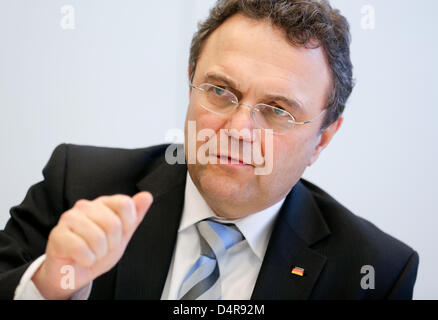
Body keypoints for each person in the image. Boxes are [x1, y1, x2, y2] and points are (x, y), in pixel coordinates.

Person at [0, 0, 418, 300]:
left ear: (322, 139)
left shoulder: (374, 271)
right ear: (190, 82)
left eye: (276, 111)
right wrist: (52, 285)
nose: (238, 129)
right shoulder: (78, 184)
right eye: (220, 91)